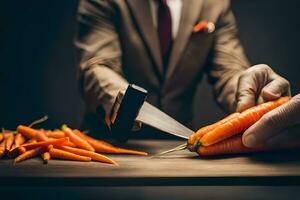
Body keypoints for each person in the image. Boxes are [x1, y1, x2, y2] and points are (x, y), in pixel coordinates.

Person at [75, 0, 291, 141]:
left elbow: (229, 72)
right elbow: (97, 66)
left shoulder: (215, 4)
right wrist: (123, 100)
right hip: (107, 144)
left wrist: (254, 95)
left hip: (180, 147)